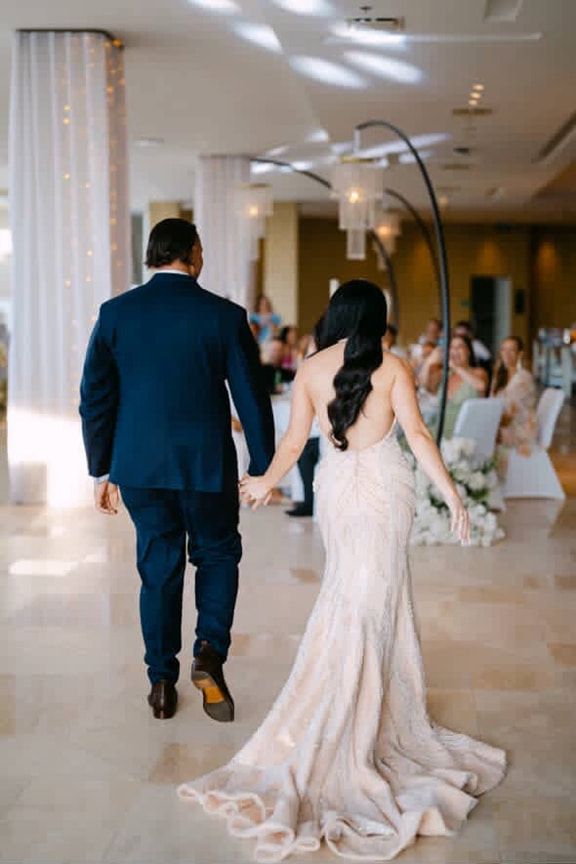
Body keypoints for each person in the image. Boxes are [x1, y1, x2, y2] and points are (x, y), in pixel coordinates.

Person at [178, 280, 507, 860]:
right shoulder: (395, 366)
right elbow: (420, 436)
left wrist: (263, 481)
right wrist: (451, 496)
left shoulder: (310, 368)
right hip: (384, 491)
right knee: (370, 600)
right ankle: (355, 715)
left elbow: (291, 443)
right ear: (377, 317)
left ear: (335, 314)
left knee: (351, 597)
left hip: (338, 491)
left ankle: (356, 704)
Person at [79, 218, 275, 723]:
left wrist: (101, 469)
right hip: (207, 464)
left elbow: (95, 398)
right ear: (192, 253)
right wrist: (262, 466)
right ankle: (208, 651)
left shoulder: (116, 314)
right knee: (217, 554)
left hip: (140, 468)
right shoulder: (224, 316)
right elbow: (250, 396)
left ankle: (161, 682)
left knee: (158, 568)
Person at [286, 316, 324, 518]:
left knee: (304, 452)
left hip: (320, 432)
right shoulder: (313, 361)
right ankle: (307, 500)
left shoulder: (316, 363)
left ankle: (309, 502)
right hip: (316, 429)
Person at [424, 334, 488, 439]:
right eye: (452, 347)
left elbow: (481, 386)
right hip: (440, 429)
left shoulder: (479, 372)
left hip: (464, 433)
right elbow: (426, 386)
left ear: (468, 351)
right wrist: (429, 361)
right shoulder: (446, 374)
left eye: (459, 347)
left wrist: (456, 367)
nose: (455, 351)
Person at [491, 336, 538, 477]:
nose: (506, 354)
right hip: (504, 423)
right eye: (504, 349)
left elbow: (510, 415)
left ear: (520, 354)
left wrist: (491, 424)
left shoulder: (523, 378)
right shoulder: (500, 376)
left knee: (485, 434)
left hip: (520, 428)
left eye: (511, 350)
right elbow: (491, 403)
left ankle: (489, 477)